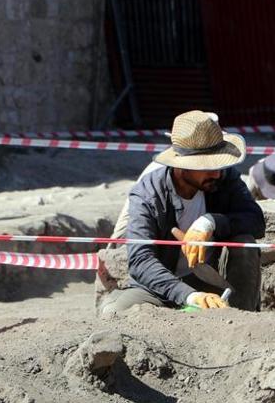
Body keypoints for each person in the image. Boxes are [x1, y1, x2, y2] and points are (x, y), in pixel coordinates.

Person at [99, 110, 265, 314]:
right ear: (181, 166)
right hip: (159, 289)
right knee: (114, 312)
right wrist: (189, 295)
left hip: (209, 279)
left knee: (245, 242)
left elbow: (255, 220)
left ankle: (243, 317)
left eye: (219, 164)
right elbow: (141, 260)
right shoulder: (148, 194)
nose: (216, 172)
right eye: (207, 166)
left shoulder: (224, 178)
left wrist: (211, 222)